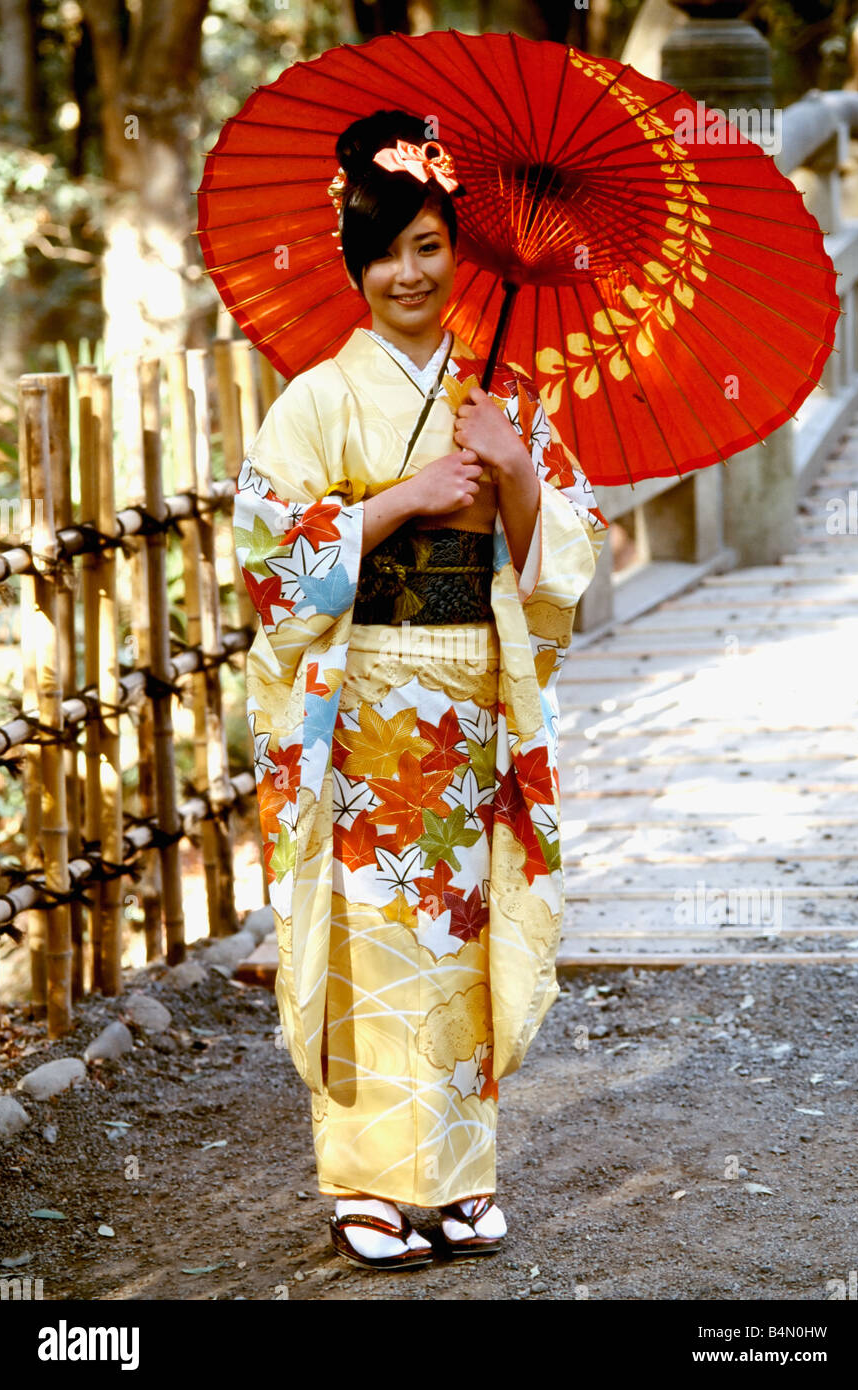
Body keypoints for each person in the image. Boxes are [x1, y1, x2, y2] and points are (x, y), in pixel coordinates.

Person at [233, 109, 609, 1271]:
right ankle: (366, 1181)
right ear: (355, 262)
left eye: (430, 246)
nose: (409, 272)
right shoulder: (314, 401)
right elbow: (269, 563)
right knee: (367, 944)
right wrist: (403, 498)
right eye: (386, 250)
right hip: (360, 719)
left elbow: (570, 569)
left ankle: (458, 1178)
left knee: (464, 945)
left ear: (460, 256)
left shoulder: (505, 402)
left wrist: (515, 476)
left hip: (474, 711)